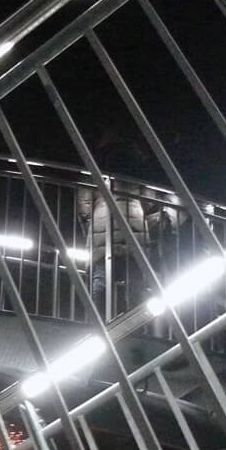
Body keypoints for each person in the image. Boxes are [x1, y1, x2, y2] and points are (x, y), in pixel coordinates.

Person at [76, 132, 150, 316]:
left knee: (101, 282)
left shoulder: (94, 168)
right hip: (134, 229)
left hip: (104, 224)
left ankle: (100, 325)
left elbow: (83, 204)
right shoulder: (140, 171)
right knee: (134, 285)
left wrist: (89, 225)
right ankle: (135, 327)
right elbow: (150, 203)